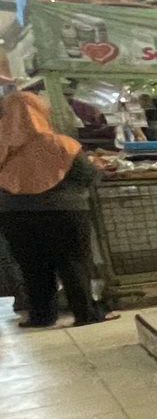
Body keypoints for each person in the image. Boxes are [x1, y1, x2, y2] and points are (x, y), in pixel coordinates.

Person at [0, 92, 108, 327]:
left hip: (15, 215)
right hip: (65, 212)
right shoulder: (63, 144)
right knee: (74, 263)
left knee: (32, 266)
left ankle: (42, 316)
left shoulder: (2, 146)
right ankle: (85, 314)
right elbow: (86, 176)